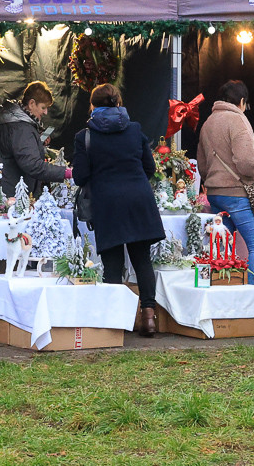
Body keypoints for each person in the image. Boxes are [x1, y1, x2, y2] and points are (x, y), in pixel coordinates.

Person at [72, 84, 164, 337]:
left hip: (108, 204)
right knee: (142, 260)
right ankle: (149, 318)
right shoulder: (134, 129)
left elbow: (80, 176)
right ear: (119, 102)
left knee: (112, 263)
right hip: (138, 200)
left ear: (92, 106)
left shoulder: (85, 136)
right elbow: (149, 168)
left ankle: (115, 322)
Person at [198, 80, 254, 286]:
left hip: (214, 192)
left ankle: (227, 294)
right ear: (241, 101)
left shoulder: (208, 122)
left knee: (222, 248)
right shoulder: (238, 120)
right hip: (236, 195)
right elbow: (247, 162)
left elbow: (202, 164)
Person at [0, 81, 70, 198]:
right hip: (14, 193)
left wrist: (37, 141)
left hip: (4, 187)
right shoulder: (22, 128)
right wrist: (66, 172)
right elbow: (32, 164)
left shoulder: (9, 121)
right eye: (43, 107)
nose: (45, 112)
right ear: (32, 103)